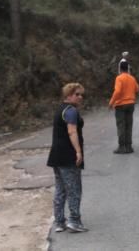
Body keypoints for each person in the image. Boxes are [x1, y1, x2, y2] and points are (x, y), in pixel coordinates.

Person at [47, 83, 88, 233]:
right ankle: (74, 221)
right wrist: (78, 151)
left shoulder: (60, 110)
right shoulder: (71, 111)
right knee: (74, 189)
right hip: (68, 156)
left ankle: (59, 222)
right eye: (77, 94)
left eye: (81, 94)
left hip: (56, 156)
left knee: (60, 189)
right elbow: (72, 132)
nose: (80, 97)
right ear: (68, 95)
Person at [109, 60, 139, 154]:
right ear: (127, 68)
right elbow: (137, 89)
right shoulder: (132, 78)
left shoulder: (119, 78)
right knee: (129, 125)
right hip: (131, 104)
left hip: (120, 105)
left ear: (120, 68)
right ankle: (129, 146)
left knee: (121, 126)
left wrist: (111, 102)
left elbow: (117, 91)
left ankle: (122, 147)